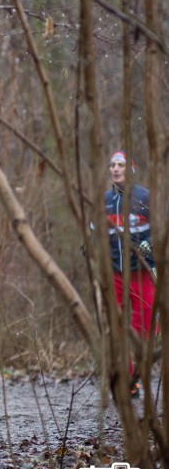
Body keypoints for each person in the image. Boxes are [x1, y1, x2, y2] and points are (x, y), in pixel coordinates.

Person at [105, 150, 157, 398]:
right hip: (116, 277)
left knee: (143, 331)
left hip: (142, 275)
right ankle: (128, 382)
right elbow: (95, 234)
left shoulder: (144, 198)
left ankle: (141, 375)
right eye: (113, 165)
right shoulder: (105, 200)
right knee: (120, 330)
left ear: (131, 169)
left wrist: (149, 248)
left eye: (121, 165)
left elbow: (159, 231)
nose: (115, 169)